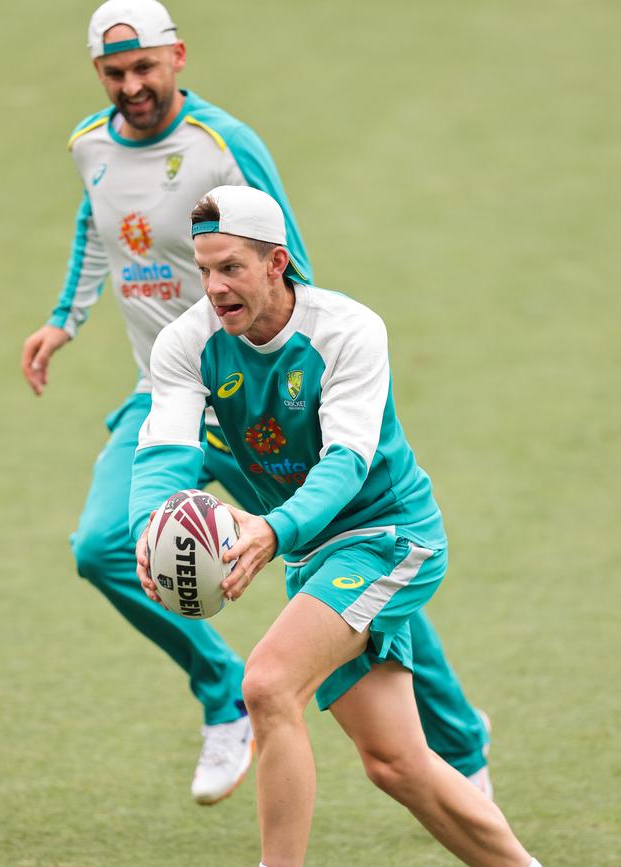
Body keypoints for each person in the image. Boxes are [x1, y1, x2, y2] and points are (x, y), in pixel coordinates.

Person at [22, 0, 491, 806]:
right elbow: (98, 219)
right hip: (168, 391)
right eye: (115, 72)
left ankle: (461, 746)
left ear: (178, 57)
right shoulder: (88, 145)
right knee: (106, 544)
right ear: (98, 74)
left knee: (359, 561)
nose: (132, 85)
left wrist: (291, 383)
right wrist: (66, 316)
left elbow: (289, 265)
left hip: (257, 400)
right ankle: (224, 693)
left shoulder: (223, 144)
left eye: (145, 67)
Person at [130, 185, 544, 867]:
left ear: (276, 263)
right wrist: (152, 527)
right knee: (397, 763)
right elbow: (165, 453)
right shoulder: (187, 342)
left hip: (389, 536)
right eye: (203, 269)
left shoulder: (348, 330)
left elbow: (345, 464)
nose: (214, 287)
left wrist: (272, 529)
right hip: (317, 555)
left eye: (231, 267)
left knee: (265, 684)